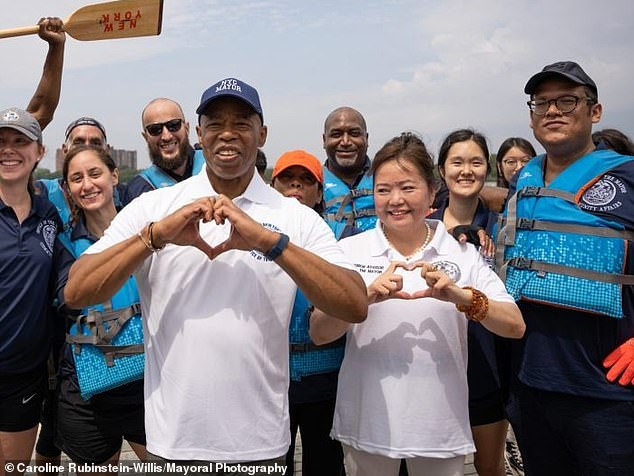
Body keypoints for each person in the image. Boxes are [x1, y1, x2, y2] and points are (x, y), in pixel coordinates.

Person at [63, 78, 367, 472]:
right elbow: (78, 290)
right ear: (199, 134)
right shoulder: (155, 206)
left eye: (242, 123)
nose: (227, 134)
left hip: (260, 442)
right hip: (173, 440)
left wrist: (269, 242)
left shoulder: (294, 217)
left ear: (262, 134)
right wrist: (155, 236)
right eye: (215, 123)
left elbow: (354, 304)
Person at [310, 132, 525, 476]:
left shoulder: (462, 252)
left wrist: (460, 296)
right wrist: (362, 297)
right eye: (383, 189)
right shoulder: (349, 251)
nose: (395, 200)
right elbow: (319, 333)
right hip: (368, 426)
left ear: (430, 190)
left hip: (439, 429)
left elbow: (515, 325)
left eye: (407, 187)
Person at [497, 60, 634, 474]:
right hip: (529, 384)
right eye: (542, 103)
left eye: (567, 101)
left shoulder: (627, 177)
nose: (552, 111)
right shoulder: (524, 180)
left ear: (594, 111)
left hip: (607, 390)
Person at [53, 145, 146, 473]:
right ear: (67, 189)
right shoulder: (62, 243)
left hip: (150, 386)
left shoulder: (147, 230)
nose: (87, 185)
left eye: (95, 174)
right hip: (88, 393)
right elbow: (66, 299)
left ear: (114, 176)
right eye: (76, 178)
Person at [0, 108, 73, 476]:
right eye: (1, 141)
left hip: (22, 376)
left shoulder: (48, 215)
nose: (9, 150)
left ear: (39, 152)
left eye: (19, 141)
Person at [429, 129, 506, 476]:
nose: (466, 170)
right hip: (434, 365)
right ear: (441, 169)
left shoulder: (505, 228)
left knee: (489, 467)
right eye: (456, 162)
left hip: (488, 363)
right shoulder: (423, 226)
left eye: (476, 162)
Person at [271, 150, 345, 476]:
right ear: (272, 185)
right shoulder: (255, 236)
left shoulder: (336, 239)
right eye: (287, 179)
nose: (296, 186)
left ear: (319, 192)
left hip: (327, 376)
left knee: (326, 466)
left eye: (306, 180)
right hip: (273, 379)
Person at [124, 98, 205, 203]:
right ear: (145, 137)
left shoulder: (213, 163)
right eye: (155, 129)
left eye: (174, 125)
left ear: (187, 128)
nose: (166, 136)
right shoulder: (138, 190)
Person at [322, 106, 376, 239]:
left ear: (366, 139)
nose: (345, 142)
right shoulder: (312, 183)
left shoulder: (386, 179)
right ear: (324, 140)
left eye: (354, 134)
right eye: (336, 135)